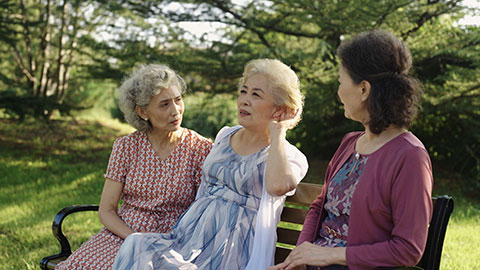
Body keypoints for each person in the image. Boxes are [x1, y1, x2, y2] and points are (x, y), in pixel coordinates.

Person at [111, 58, 309, 270]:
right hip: (188, 240)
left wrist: (278, 131)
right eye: (243, 91)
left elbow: (278, 186)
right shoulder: (225, 135)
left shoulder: (288, 156)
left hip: (230, 251)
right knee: (137, 246)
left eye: (256, 95)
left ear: (280, 108)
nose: (244, 100)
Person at [269, 30, 433, 270]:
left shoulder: (410, 156)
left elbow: (408, 249)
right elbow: (318, 207)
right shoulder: (349, 142)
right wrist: (300, 257)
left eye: (340, 81)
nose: (338, 91)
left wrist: (331, 256)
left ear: (364, 89)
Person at [55, 64, 213, 270]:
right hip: (123, 235)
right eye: (164, 104)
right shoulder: (126, 147)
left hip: (174, 240)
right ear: (142, 112)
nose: (176, 110)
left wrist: (160, 243)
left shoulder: (200, 148)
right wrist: (135, 239)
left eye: (178, 100)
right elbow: (107, 210)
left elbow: (204, 209)